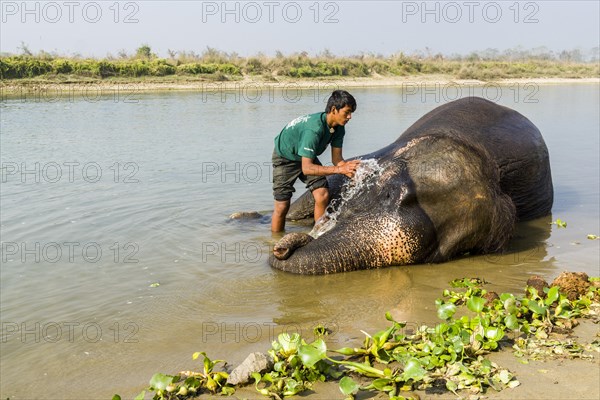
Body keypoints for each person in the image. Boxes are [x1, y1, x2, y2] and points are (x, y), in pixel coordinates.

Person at [271, 90, 361, 232]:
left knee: (322, 194)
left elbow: (337, 159)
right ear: (333, 109)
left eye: (351, 113)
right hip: (286, 157)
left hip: (306, 156)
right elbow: (307, 168)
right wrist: (339, 170)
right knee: (282, 207)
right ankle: (276, 242)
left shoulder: (339, 128)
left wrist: (352, 169)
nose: (350, 117)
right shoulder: (314, 129)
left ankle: (317, 235)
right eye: (347, 112)